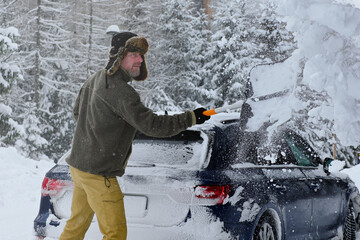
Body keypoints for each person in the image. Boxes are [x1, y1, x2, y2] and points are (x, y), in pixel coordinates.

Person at [59, 32, 210, 240]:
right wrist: (191, 117)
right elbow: (154, 126)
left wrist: (105, 129)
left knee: (75, 226)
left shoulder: (95, 79)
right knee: (116, 234)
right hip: (99, 174)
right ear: (119, 56)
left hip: (79, 168)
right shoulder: (122, 92)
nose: (139, 59)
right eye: (133, 54)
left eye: (141, 55)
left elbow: (78, 113)